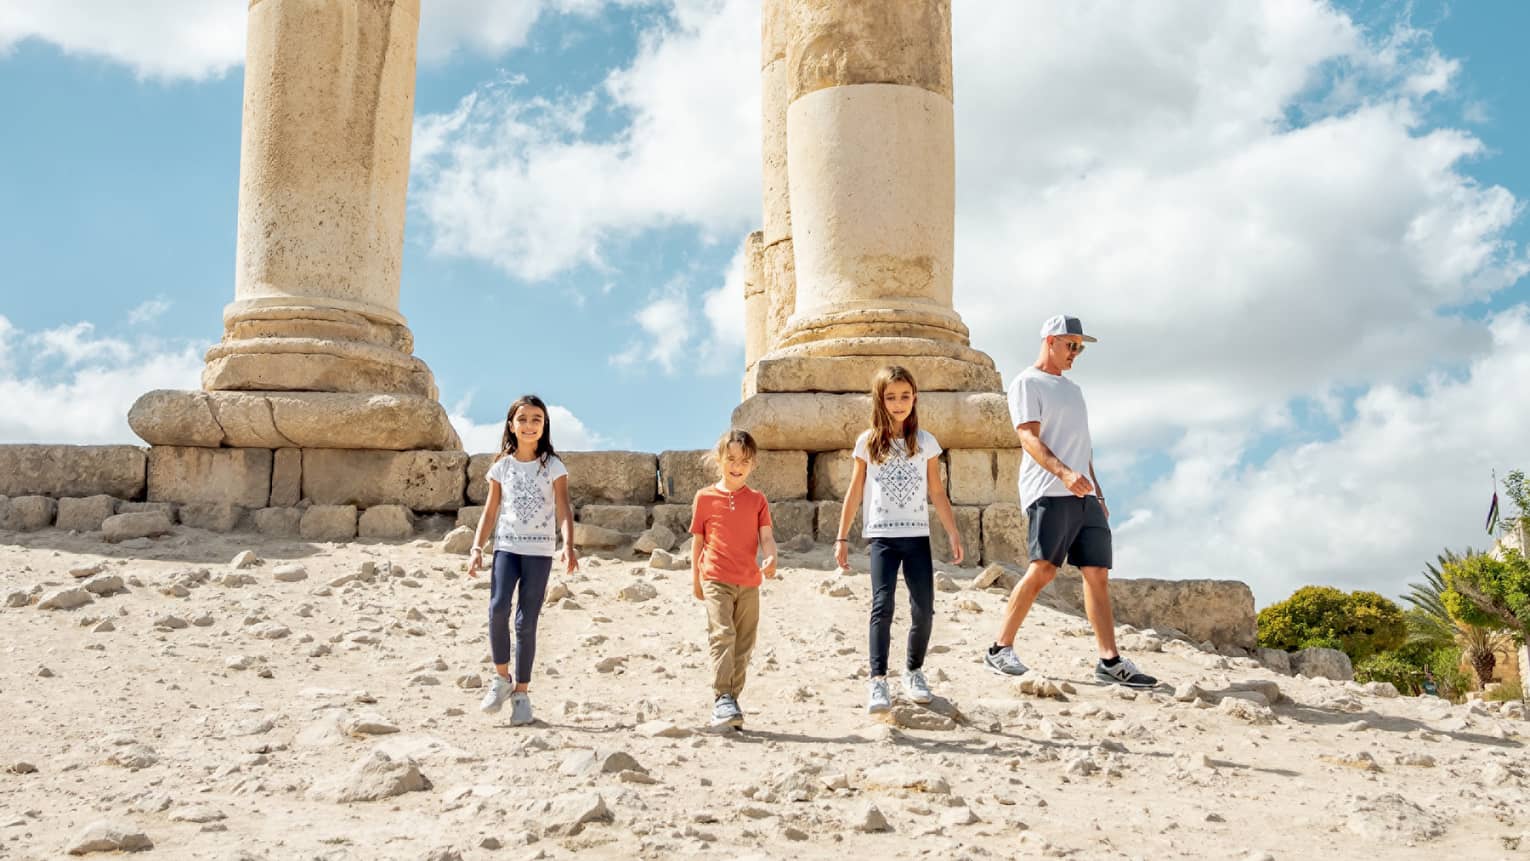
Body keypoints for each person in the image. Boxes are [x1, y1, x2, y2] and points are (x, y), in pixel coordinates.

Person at [982, 316, 1158, 689]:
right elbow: (1027, 438)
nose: (1077, 353)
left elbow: (1083, 446)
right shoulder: (1027, 383)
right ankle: (1000, 649)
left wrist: (1097, 490)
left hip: (1085, 495)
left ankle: (1109, 660)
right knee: (1044, 569)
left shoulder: (1074, 390)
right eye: (1071, 345)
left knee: (1097, 573)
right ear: (1050, 341)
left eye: (1081, 347)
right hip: (1049, 490)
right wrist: (1063, 474)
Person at [836, 365, 964, 714]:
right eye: (891, 397)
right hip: (882, 537)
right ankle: (878, 681)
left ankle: (914, 671)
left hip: (917, 535)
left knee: (923, 609)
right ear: (880, 400)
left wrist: (952, 531)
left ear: (915, 398)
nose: (898, 403)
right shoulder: (867, 442)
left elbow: (936, 491)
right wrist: (842, 536)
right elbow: (855, 489)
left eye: (905, 396)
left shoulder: (926, 442)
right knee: (883, 606)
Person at [469, 394, 578, 724]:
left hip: (540, 552)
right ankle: (502, 679)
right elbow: (490, 512)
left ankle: (522, 694)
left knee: (525, 621)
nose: (529, 425)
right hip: (507, 547)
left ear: (544, 426)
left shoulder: (554, 466)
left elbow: (563, 507)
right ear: (511, 425)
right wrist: (477, 548)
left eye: (537, 420)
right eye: (523, 419)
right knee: (498, 607)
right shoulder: (501, 467)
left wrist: (568, 545)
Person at [690, 429, 778, 729]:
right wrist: (695, 579)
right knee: (722, 634)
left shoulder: (757, 500)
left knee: (744, 643)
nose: (736, 465)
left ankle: (733, 699)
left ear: (753, 464)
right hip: (715, 576)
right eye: (731, 459)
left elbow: (766, 536)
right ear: (719, 460)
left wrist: (770, 557)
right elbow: (698, 542)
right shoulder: (704, 498)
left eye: (744, 460)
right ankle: (721, 697)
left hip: (749, 581)